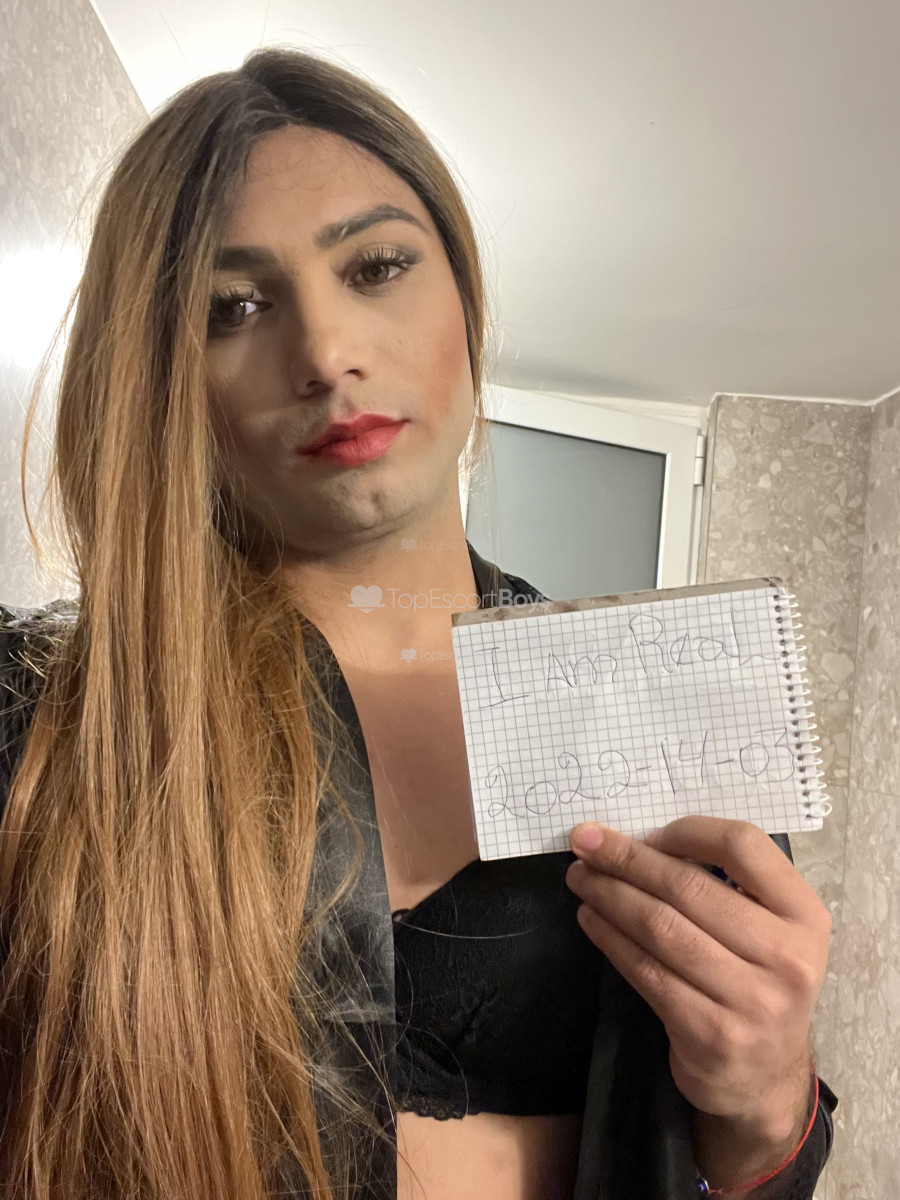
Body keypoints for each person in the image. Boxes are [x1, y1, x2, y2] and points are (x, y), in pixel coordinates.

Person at [0, 47, 836, 1200]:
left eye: (378, 265)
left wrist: (768, 1108)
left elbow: (737, 1160)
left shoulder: (660, 720)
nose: (325, 352)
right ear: (165, 381)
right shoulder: (45, 720)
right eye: (233, 307)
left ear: (466, 302)